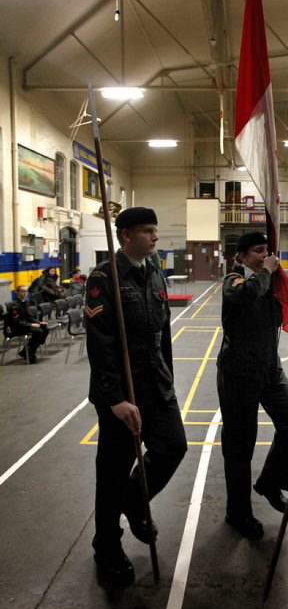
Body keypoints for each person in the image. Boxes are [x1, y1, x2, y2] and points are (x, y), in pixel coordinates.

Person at [85, 206, 187, 586]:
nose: (155, 237)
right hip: (122, 393)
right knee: (110, 473)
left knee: (174, 446)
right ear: (125, 234)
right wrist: (114, 399)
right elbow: (101, 343)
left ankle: (134, 501)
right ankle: (107, 547)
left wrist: (169, 380)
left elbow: (163, 337)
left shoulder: (154, 271)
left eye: (156, 231)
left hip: (155, 384)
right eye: (148, 231)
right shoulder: (104, 277)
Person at [216, 231, 288, 539]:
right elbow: (245, 295)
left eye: (267, 250)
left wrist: (270, 276)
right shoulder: (235, 282)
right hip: (238, 374)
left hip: (270, 371)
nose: (265, 255)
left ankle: (270, 482)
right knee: (240, 447)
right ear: (241, 257)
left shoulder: (269, 286)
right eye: (257, 251)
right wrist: (267, 270)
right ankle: (238, 513)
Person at [6, 285, 49, 362]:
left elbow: (29, 317)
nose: (25, 293)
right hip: (16, 328)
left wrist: (38, 322)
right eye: (22, 291)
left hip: (24, 325)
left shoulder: (24, 302)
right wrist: (31, 325)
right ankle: (30, 352)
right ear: (17, 293)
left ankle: (28, 351)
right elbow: (16, 322)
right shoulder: (14, 306)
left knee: (45, 328)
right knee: (39, 332)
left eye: (26, 291)